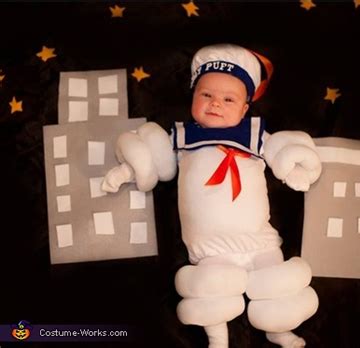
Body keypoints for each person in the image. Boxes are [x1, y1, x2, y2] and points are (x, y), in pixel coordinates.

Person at [102, 43, 322, 348]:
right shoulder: (182, 136)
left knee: (277, 282)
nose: (216, 103)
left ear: (245, 108)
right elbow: (152, 159)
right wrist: (125, 172)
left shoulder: (253, 134)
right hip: (210, 244)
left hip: (257, 237)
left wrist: (297, 169)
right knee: (210, 292)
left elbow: (283, 153)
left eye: (228, 98)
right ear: (193, 97)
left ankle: (278, 328)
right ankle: (217, 338)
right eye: (206, 95)